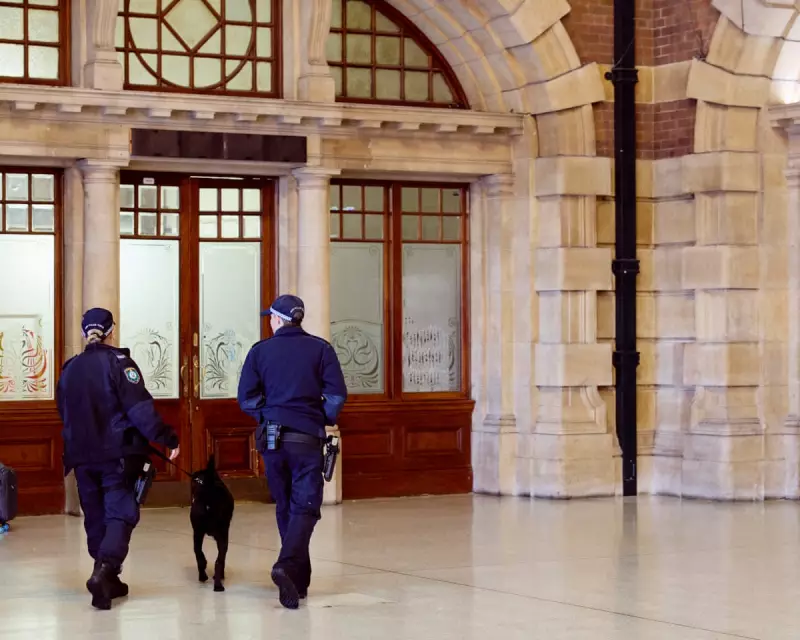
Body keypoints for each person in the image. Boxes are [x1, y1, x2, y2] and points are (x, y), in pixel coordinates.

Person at [56, 308, 180, 610]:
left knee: (95, 514)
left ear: (85, 333)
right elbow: (139, 408)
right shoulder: (119, 363)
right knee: (120, 512)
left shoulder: (69, 368)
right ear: (112, 331)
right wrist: (167, 438)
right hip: (116, 454)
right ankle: (106, 569)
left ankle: (106, 576)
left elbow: (63, 411)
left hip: (81, 456)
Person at [237, 294, 347, 609]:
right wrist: (320, 416)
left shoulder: (260, 352)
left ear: (276, 319)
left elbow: (246, 398)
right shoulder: (321, 349)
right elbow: (336, 395)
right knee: (306, 506)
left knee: (286, 505)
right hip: (306, 438)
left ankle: (298, 579)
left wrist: (268, 413)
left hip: (272, 439)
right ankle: (288, 566)